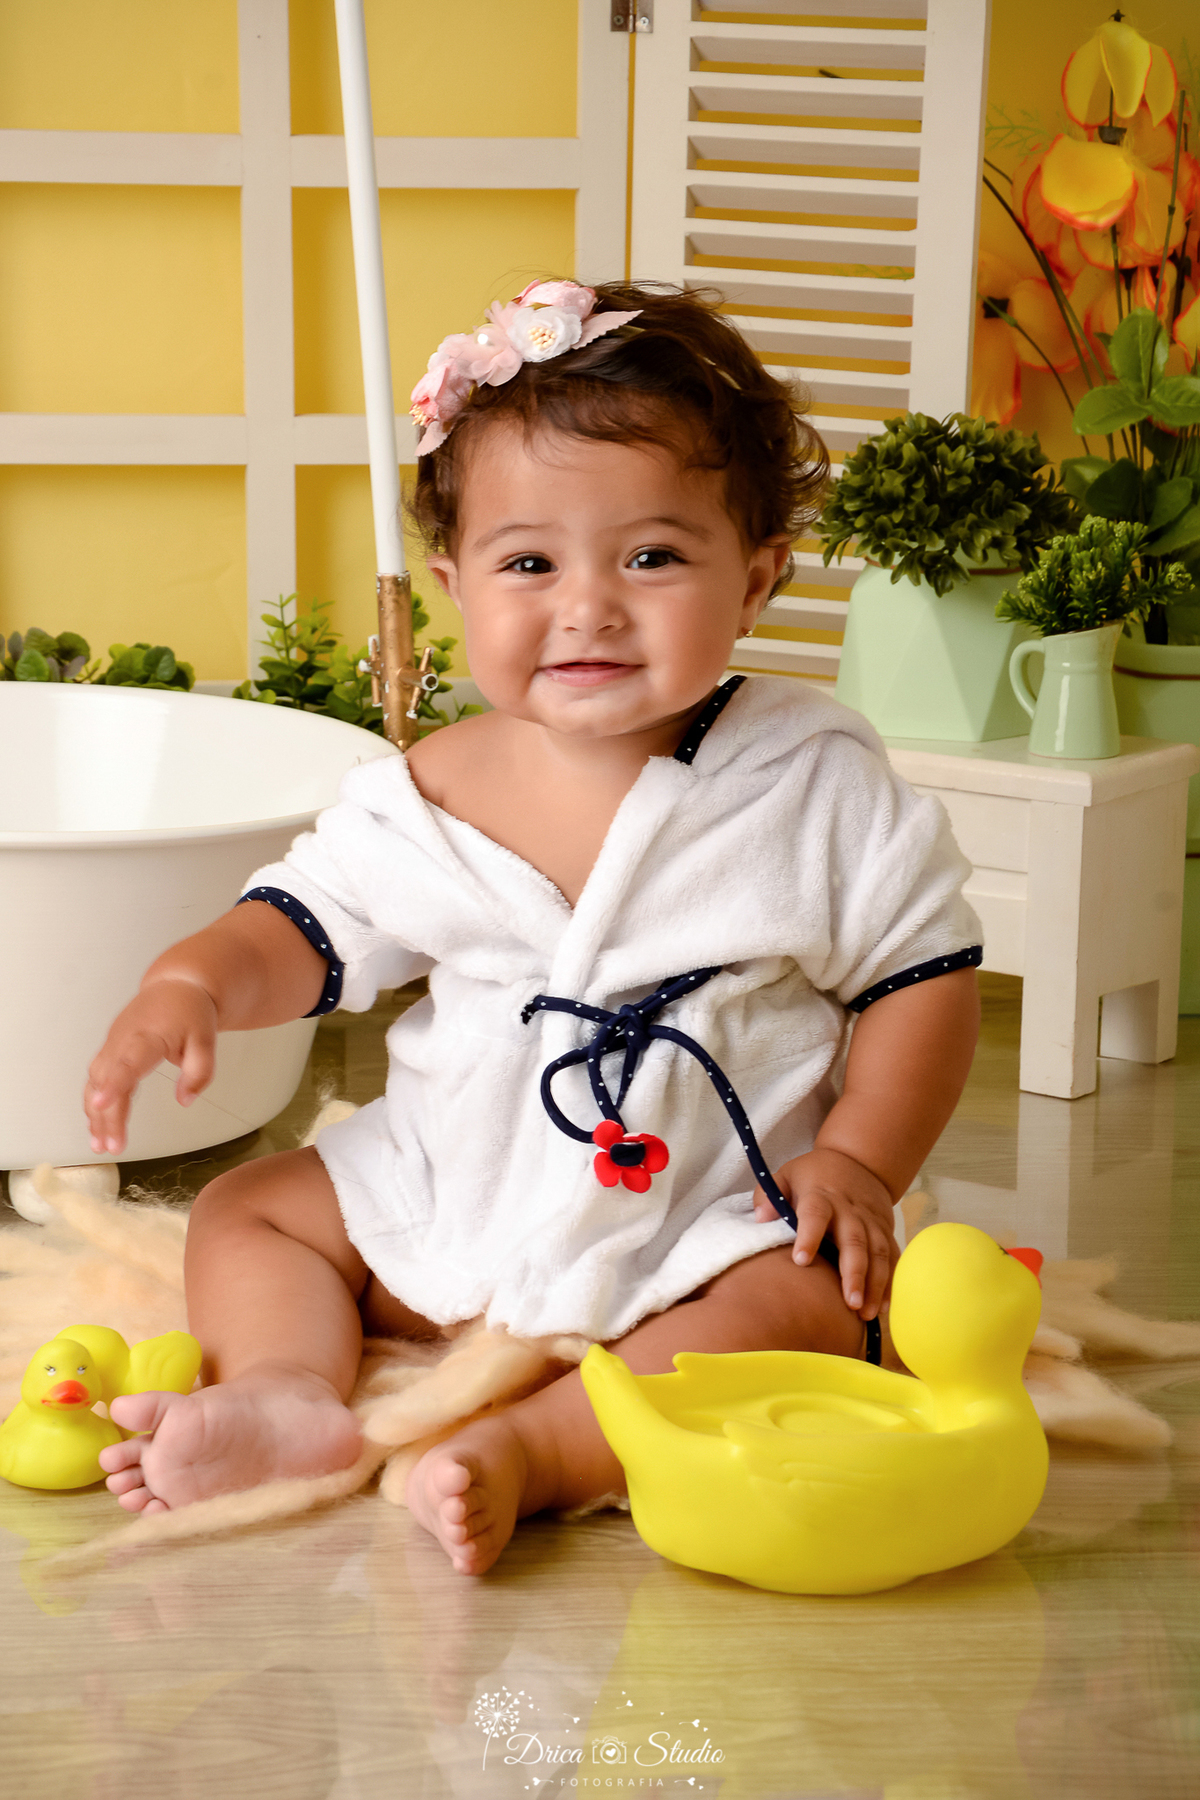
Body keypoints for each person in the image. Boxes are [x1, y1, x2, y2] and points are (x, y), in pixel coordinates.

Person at [84, 280, 982, 1575]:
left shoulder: (811, 782)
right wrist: (193, 981)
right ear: (454, 586)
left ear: (759, 576)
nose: (588, 605)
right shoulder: (435, 784)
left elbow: (922, 973)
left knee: (812, 1304)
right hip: (467, 1180)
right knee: (248, 1211)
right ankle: (291, 1392)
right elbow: (306, 921)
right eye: (530, 562)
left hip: (701, 1209)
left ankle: (546, 1449)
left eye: (653, 557)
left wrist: (860, 1160)